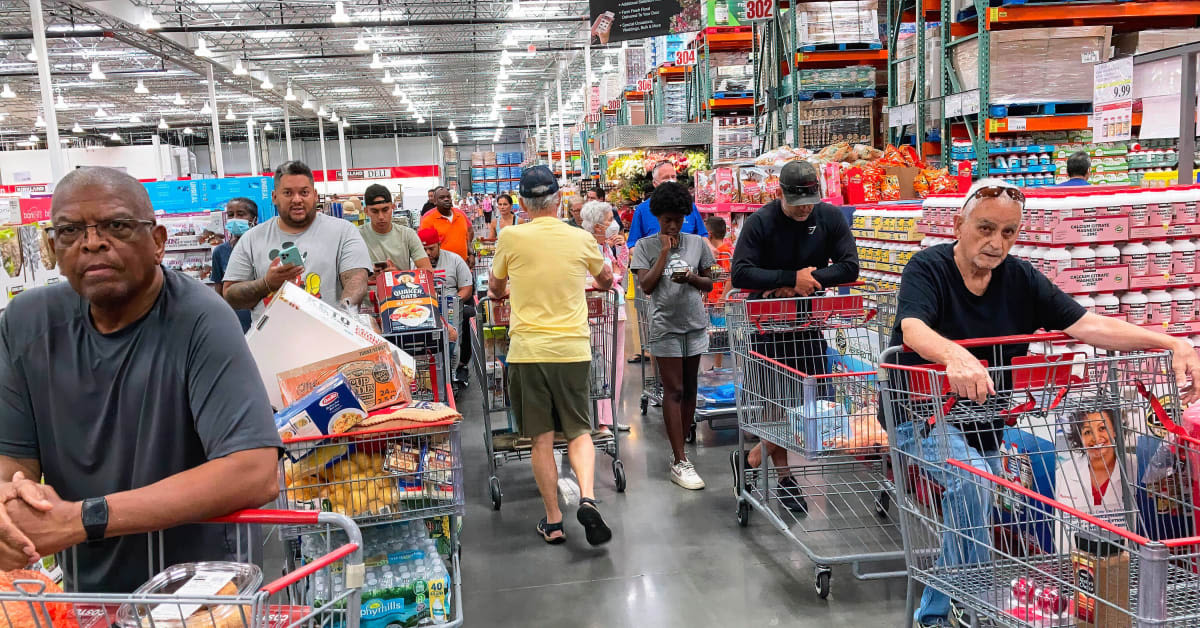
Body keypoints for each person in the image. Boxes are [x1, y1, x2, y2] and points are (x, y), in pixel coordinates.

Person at [888, 177, 1200, 627]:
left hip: (984, 418)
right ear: (959, 224)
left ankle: (947, 605)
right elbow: (913, 328)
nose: (996, 243)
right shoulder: (928, 267)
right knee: (972, 485)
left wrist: (1171, 341)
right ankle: (951, 612)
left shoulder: (1020, 278)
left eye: (1009, 233)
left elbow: (1088, 324)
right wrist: (955, 355)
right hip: (921, 415)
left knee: (978, 496)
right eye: (985, 228)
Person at [0, 167, 281, 592]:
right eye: (70, 230)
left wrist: (83, 518)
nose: (92, 242)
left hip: (203, 593)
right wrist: (10, 508)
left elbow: (253, 472)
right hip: (91, 594)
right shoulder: (25, 323)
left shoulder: (201, 319)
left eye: (117, 226)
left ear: (158, 242)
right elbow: (14, 462)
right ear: (54, 247)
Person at [489, 165, 614, 546]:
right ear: (559, 199)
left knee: (541, 439)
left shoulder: (510, 236)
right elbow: (606, 279)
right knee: (579, 430)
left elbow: (495, 287)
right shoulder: (579, 238)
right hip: (573, 349)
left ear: (523, 204)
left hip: (528, 352)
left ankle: (554, 520)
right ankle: (588, 498)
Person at [729, 160, 859, 511]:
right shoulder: (761, 222)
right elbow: (740, 272)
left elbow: (850, 266)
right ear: (779, 194)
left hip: (809, 323)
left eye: (810, 201)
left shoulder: (829, 218)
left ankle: (753, 458)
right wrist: (787, 279)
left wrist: (809, 280)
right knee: (774, 404)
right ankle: (786, 479)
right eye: (796, 202)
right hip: (766, 325)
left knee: (809, 403)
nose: (804, 209)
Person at [632, 182, 716, 490]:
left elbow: (710, 282)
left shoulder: (697, 243)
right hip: (664, 326)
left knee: (691, 388)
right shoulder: (645, 247)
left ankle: (680, 447)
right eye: (667, 219)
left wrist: (692, 277)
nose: (672, 224)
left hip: (695, 324)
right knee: (674, 389)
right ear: (657, 217)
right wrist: (664, 254)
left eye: (678, 219)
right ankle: (680, 459)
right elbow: (647, 286)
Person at [222, 160, 373, 319]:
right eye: (287, 193)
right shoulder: (251, 239)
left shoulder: (344, 231)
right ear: (274, 197)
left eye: (304, 192)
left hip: (328, 338)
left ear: (314, 195)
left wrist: (342, 318)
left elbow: (356, 279)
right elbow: (230, 294)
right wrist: (267, 283)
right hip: (271, 340)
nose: (296, 199)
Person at [580, 200, 631, 435]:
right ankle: (600, 420)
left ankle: (609, 415)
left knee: (616, 364)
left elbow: (621, 269)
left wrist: (622, 248)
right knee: (601, 364)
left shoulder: (606, 246)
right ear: (597, 224)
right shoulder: (585, 245)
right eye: (610, 219)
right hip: (596, 311)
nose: (614, 224)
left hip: (614, 308)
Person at [1053, 408, 1133, 551]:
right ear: (1080, 437)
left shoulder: (1134, 467)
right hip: (1072, 562)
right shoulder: (1064, 472)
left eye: (1102, 428)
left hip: (1122, 561)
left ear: (1115, 430)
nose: (1096, 438)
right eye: (1087, 432)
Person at [418, 227, 472, 384]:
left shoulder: (454, 260)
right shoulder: (414, 262)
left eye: (431, 248)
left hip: (451, 307)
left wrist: (454, 301)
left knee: (457, 333)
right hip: (424, 309)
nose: (427, 253)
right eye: (424, 249)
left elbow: (467, 287)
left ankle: (456, 369)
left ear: (439, 244)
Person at [626, 161, 708, 249]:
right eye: (665, 178)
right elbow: (632, 245)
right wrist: (647, 258)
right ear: (655, 183)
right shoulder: (642, 210)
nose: (670, 180)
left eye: (673, 177)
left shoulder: (689, 206)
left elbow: (702, 236)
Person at [210, 197, 258, 332]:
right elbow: (219, 293)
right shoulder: (220, 252)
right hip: (235, 322)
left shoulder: (262, 247)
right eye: (231, 215)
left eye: (241, 214)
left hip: (260, 317)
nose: (235, 219)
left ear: (254, 219)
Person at [359, 183, 432, 273]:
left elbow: (428, 271)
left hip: (402, 286)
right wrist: (367, 275)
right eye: (375, 211)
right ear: (366, 211)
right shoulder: (357, 236)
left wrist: (398, 275)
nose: (381, 216)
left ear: (393, 207)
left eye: (385, 210)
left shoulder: (407, 235)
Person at [704, 215, 733, 368]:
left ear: (709, 234)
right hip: (712, 299)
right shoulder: (718, 252)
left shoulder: (724, 252)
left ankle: (718, 367)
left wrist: (722, 299)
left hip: (719, 300)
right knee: (716, 332)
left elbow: (730, 277)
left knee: (720, 334)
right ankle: (717, 366)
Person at [420, 186, 473, 262]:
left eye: (448, 197)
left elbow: (467, 238)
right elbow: (425, 248)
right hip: (442, 268)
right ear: (435, 201)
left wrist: (471, 254)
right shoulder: (428, 221)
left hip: (463, 265)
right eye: (442, 198)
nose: (446, 199)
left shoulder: (460, 216)